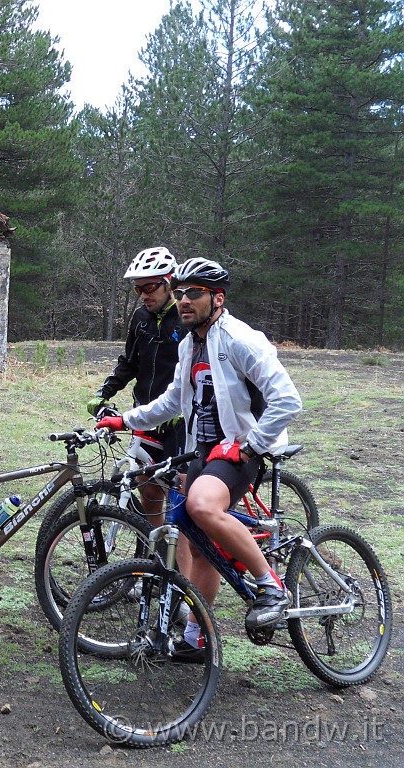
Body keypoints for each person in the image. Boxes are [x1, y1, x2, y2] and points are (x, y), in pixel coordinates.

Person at [96, 257, 302, 654]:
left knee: (202, 507)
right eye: (181, 292)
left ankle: (271, 587)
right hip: (204, 450)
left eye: (195, 293)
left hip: (241, 449)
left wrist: (250, 444)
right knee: (200, 542)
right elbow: (174, 399)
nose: (184, 300)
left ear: (217, 298)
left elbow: (287, 401)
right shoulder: (192, 342)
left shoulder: (241, 340)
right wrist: (125, 419)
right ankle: (198, 637)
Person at [86, 246, 185, 527]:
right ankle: (156, 553)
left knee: (183, 494)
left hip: (180, 420)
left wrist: (183, 406)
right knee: (147, 486)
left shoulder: (186, 317)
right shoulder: (141, 318)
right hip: (147, 412)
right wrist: (104, 392)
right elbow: (129, 362)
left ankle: (188, 556)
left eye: (150, 287)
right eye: (138, 289)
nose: (143, 294)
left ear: (169, 283)